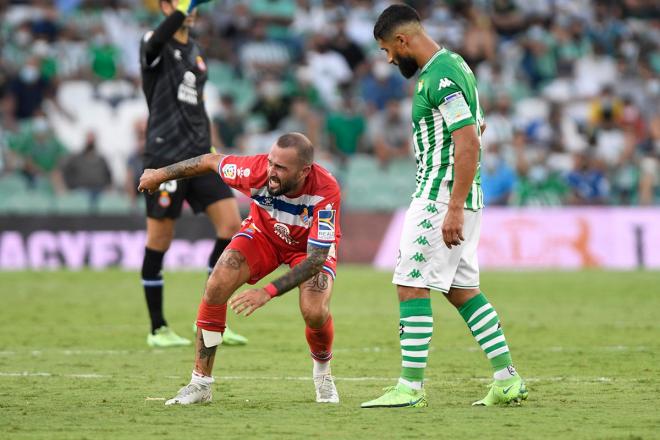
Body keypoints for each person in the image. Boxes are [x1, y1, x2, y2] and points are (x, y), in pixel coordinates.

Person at [361, 4, 527, 408]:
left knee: (410, 284)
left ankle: (410, 388)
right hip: (461, 196)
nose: (388, 59)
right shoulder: (457, 66)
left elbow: (468, 140)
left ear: (403, 40)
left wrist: (452, 206)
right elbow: (477, 125)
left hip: (440, 198)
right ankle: (507, 380)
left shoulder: (440, 74)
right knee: (462, 290)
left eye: (387, 49)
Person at [138, 132, 341, 405]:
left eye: (281, 167)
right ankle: (200, 383)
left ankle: (323, 374)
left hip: (307, 251)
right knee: (217, 283)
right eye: (271, 162)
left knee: (314, 311)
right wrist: (160, 174)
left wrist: (267, 292)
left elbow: (316, 259)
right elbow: (210, 161)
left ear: (305, 171)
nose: (272, 172)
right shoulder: (254, 171)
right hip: (263, 236)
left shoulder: (325, 191)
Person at [139, 0, 246, 348]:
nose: (191, 8)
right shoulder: (153, 42)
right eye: (182, 2)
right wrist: (180, 12)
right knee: (160, 243)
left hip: (200, 158)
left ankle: (212, 319)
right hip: (165, 160)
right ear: (166, 6)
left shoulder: (196, 52)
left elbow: (199, 106)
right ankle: (158, 329)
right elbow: (158, 38)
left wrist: (212, 146)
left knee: (232, 227)